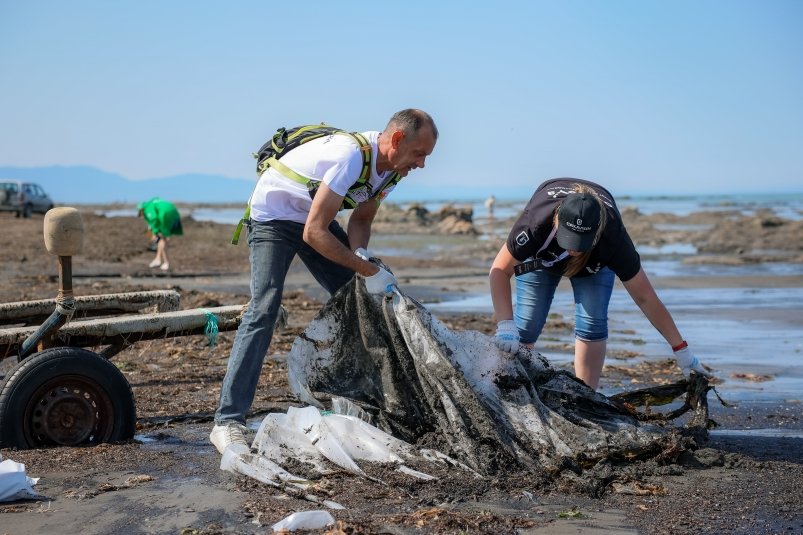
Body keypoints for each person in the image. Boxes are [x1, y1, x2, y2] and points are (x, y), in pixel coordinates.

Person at [210, 109, 438, 453]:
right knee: (264, 309)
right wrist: (370, 272)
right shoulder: (350, 155)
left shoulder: (392, 171)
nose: (421, 164)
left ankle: (362, 402)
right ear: (396, 139)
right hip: (275, 217)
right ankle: (227, 422)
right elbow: (315, 233)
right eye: (419, 154)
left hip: (313, 217)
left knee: (360, 301)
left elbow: (361, 219)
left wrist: (361, 257)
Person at [489, 178, 709, 390]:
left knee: (592, 321)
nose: (573, 250)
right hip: (541, 258)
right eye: (568, 239)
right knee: (526, 325)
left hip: (593, 265)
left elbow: (645, 297)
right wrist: (505, 325)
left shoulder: (613, 239)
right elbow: (499, 271)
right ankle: (512, 386)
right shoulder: (537, 221)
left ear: (597, 231)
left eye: (580, 243)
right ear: (557, 221)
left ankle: (586, 394)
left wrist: (681, 350)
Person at [137, 197, 183, 271]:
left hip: (165, 215)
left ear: (141, 210)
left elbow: (154, 219)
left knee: (161, 239)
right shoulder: (153, 203)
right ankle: (158, 259)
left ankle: (165, 262)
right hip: (173, 213)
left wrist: (155, 232)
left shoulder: (148, 208)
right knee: (161, 239)